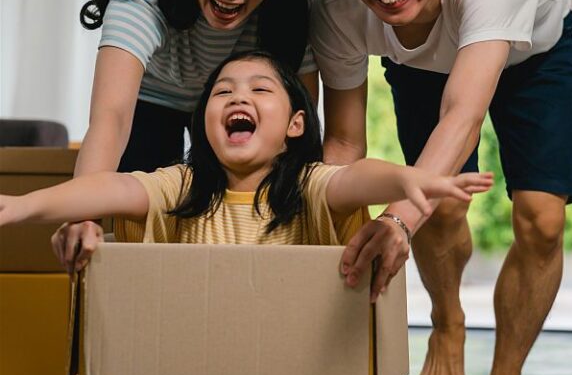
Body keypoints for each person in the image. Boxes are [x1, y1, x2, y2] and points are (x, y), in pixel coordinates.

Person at [310, 0, 572, 375]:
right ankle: (447, 318)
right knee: (437, 211)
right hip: (419, 60)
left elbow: (464, 114)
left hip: (532, 55)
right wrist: (320, 236)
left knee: (541, 219)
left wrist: (395, 223)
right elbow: (342, 143)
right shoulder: (338, 0)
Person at [1, 53, 493, 270]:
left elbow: (355, 179)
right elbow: (110, 189)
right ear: (204, 121)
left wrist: (406, 178)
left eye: (260, 89)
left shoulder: (309, 186)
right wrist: (22, 207)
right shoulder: (182, 185)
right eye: (222, 92)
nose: (239, 97)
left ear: (295, 125)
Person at [58, 0, 315, 266]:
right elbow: (111, 118)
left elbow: (302, 118)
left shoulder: (294, 3)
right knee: (141, 222)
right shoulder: (142, 0)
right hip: (152, 101)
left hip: (229, 106)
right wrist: (81, 214)